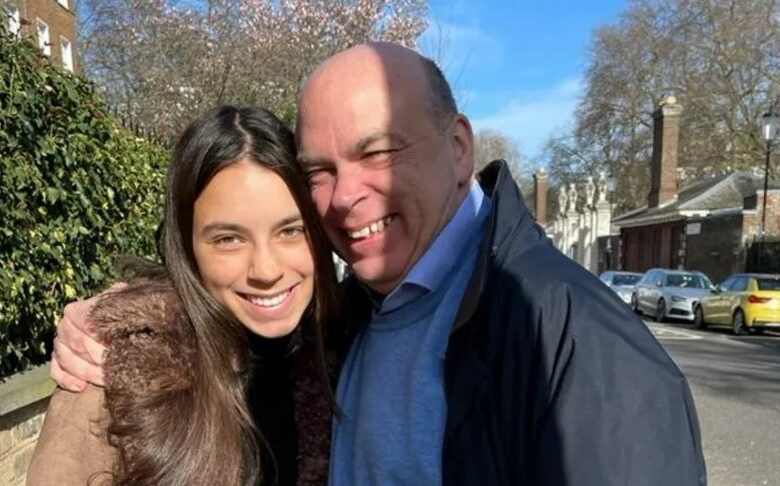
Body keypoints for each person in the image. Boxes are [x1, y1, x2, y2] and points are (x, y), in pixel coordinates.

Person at [52, 43, 707, 485]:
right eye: (321, 170)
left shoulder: (571, 340)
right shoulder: (358, 315)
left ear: (459, 147)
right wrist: (120, 322)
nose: (347, 196)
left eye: (379, 153)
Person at [29, 106, 338, 485]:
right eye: (228, 239)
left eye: (290, 231)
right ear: (186, 246)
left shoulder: (348, 343)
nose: (266, 270)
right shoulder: (112, 375)